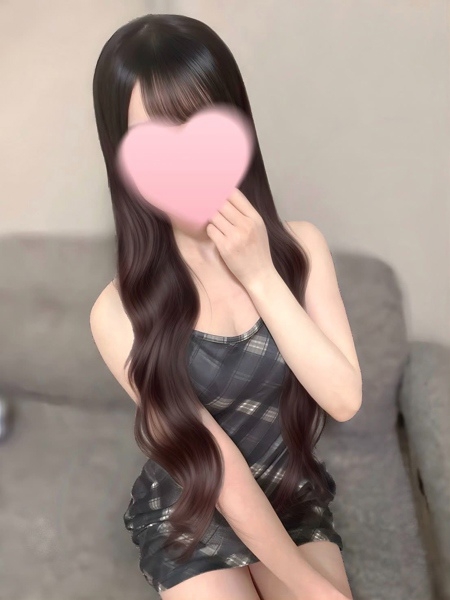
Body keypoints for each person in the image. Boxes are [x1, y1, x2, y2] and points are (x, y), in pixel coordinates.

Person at [90, 13, 359, 600]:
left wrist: (260, 274)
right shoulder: (118, 312)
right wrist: (313, 589)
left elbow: (342, 399)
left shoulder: (301, 248)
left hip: (289, 495)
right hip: (195, 503)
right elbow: (217, 468)